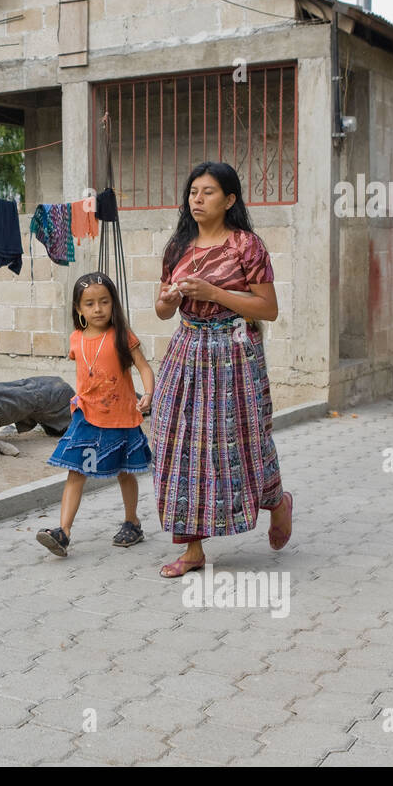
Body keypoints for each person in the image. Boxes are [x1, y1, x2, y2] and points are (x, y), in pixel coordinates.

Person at [151, 161, 294, 578]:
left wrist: (214, 292)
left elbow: (267, 309)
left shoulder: (246, 247)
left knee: (242, 441)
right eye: (193, 191)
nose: (197, 198)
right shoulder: (178, 247)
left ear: (229, 200)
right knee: (178, 444)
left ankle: (276, 502)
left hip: (234, 352)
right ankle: (192, 549)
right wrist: (169, 300)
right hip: (186, 349)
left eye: (208, 191)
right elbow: (161, 312)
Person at [37, 272, 155, 556]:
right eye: (89, 304)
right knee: (76, 471)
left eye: (104, 301)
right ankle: (63, 532)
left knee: (125, 472)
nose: (98, 308)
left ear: (113, 303)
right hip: (86, 416)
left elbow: (144, 368)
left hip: (122, 416)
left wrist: (148, 394)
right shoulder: (76, 339)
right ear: (79, 309)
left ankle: (132, 522)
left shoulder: (123, 336)